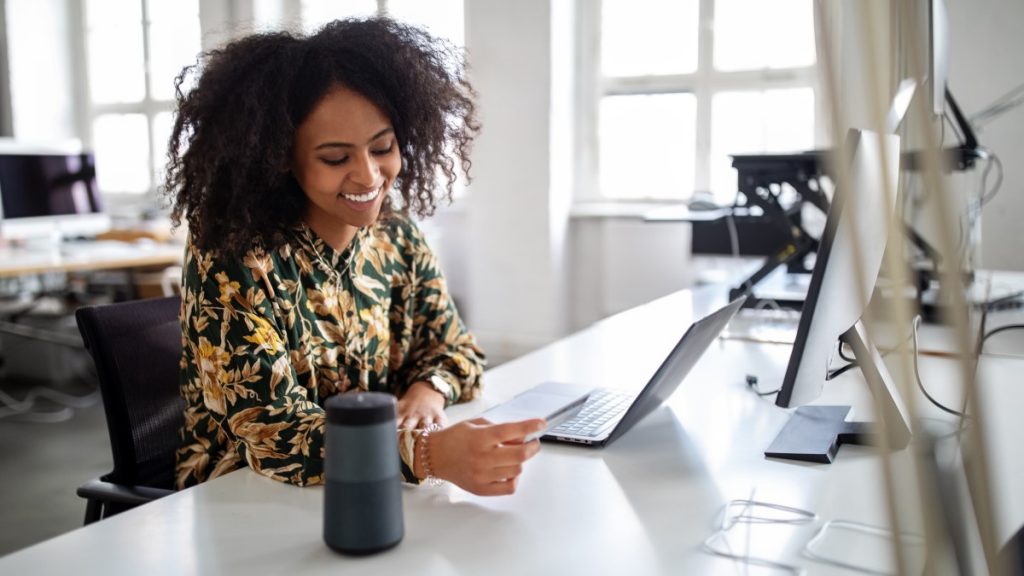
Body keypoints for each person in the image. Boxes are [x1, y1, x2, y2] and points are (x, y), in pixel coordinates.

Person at [164, 17, 544, 496]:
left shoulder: (396, 236)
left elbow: (456, 351)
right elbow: (274, 433)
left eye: (382, 148)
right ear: (281, 156)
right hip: (241, 493)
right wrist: (424, 453)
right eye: (335, 158)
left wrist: (429, 390)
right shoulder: (235, 254)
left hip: (370, 484)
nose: (368, 177)